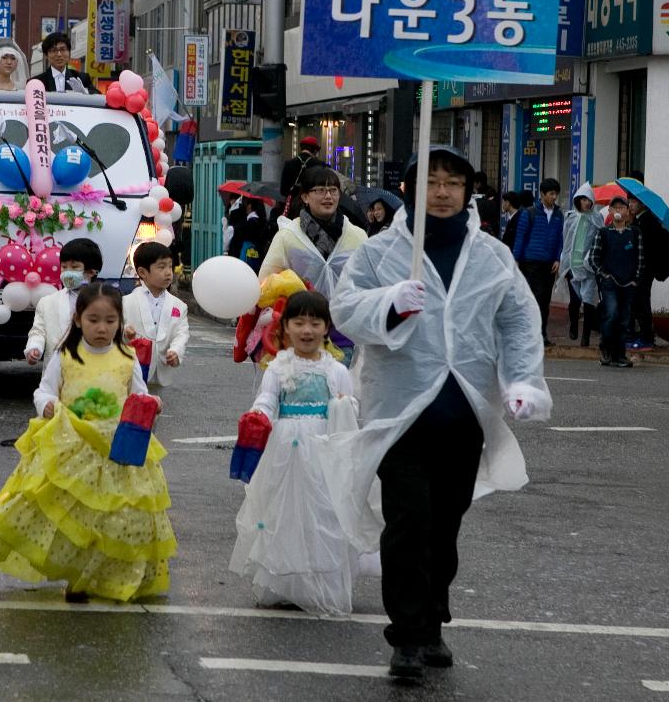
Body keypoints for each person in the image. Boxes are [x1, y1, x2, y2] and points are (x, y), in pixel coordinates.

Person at [329, 146, 550, 679]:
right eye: (432, 182)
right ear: (411, 190)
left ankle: (431, 622)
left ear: (468, 190)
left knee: (444, 524)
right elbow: (344, 308)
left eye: (454, 182)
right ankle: (406, 636)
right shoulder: (380, 254)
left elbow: (518, 321)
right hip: (400, 412)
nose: (444, 192)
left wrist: (521, 380)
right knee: (409, 520)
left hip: (464, 412)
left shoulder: (493, 256)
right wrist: (390, 303)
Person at [0, 282, 176, 602]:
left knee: (113, 515)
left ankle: (104, 574)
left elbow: (139, 394)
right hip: (72, 443)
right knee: (74, 516)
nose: (102, 328)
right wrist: (45, 404)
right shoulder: (66, 354)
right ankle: (76, 577)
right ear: (77, 320)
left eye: (110, 321)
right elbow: (45, 390)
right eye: (93, 320)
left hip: (116, 447)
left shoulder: (126, 356)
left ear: (119, 322)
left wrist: (152, 404)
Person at [229, 291, 359, 615]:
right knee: (282, 512)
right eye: (298, 322)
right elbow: (268, 399)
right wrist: (259, 415)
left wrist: (343, 405)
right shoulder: (277, 367)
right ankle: (282, 583)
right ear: (285, 327)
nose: (307, 330)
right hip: (284, 448)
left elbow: (352, 407)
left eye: (315, 323)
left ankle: (320, 583)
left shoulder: (337, 370)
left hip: (322, 446)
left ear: (326, 328)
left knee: (322, 512)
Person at [260, 165, 369, 363]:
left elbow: (369, 282)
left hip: (343, 335)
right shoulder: (288, 237)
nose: (328, 196)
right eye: (320, 190)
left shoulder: (357, 236)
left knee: (336, 390)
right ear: (305, 197)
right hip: (300, 333)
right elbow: (266, 282)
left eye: (333, 190)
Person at [586, 195, 643, 368]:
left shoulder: (634, 233)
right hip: (610, 283)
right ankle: (606, 348)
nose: (618, 210)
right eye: (615, 207)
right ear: (610, 211)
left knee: (625, 320)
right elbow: (594, 258)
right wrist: (604, 274)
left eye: (622, 207)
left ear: (627, 211)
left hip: (629, 283)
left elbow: (640, 259)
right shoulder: (603, 233)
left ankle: (620, 355)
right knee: (611, 314)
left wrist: (636, 279)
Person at [122, 241, 190, 388]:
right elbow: (115, 330)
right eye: (161, 267)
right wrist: (124, 331)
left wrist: (176, 351)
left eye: (170, 266)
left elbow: (181, 333)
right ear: (142, 272)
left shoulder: (179, 306)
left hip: (161, 373)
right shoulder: (126, 303)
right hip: (131, 372)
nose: (168, 272)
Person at [24, 237, 102, 364]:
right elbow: (38, 331)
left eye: (74, 267)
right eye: (64, 267)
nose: (67, 272)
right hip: (57, 376)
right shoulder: (47, 302)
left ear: (91, 271)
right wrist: (34, 347)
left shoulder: (105, 302)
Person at [513, 178, 565, 345]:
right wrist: (516, 260)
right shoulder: (529, 213)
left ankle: (541, 334)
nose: (554, 197)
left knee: (545, 299)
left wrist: (557, 258)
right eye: (551, 193)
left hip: (549, 263)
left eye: (556, 193)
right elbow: (520, 237)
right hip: (531, 261)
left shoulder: (558, 214)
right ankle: (531, 333)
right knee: (537, 296)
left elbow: (559, 239)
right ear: (542, 194)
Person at [626, 198, 669, 352]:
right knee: (638, 302)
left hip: (645, 268)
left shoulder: (647, 221)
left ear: (643, 203)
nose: (631, 205)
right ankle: (642, 335)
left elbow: (645, 246)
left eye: (634, 202)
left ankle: (646, 337)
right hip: (641, 268)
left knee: (642, 303)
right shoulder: (640, 220)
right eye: (629, 202)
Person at [559, 183, 603, 347]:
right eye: (582, 199)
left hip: (589, 266)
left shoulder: (597, 218)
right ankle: (573, 324)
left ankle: (585, 336)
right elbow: (566, 240)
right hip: (572, 265)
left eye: (588, 199)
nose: (585, 202)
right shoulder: (570, 217)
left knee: (589, 301)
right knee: (575, 300)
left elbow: (600, 239)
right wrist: (563, 260)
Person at [277, 136, 325, 221]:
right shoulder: (320, 165)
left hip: (293, 209)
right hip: (313, 208)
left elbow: (283, 191)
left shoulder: (289, 164)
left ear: (301, 148)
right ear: (314, 150)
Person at [32, 32, 96, 94]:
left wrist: (84, 92)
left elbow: (98, 96)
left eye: (63, 49)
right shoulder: (36, 82)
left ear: (69, 52)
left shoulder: (82, 78)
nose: (59, 54)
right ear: (46, 55)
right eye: (53, 50)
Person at [228, 197, 271, 272]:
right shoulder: (261, 221)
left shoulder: (250, 223)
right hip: (258, 257)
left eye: (245, 203)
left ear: (249, 206)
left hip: (247, 258)